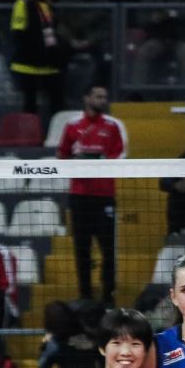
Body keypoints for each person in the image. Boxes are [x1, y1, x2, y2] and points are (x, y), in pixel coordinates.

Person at [56, 84, 124, 301]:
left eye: (105, 97)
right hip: (79, 195)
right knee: (81, 248)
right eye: (98, 96)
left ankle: (108, 295)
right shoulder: (72, 125)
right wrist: (78, 162)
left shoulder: (113, 126)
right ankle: (85, 296)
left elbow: (120, 154)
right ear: (87, 98)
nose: (102, 100)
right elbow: (62, 156)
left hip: (104, 195)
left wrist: (99, 163)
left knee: (108, 249)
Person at [9, 0, 65, 120]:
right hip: (28, 63)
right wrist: (35, 52)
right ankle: (29, 136)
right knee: (30, 103)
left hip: (49, 62)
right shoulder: (22, 3)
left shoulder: (50, 5)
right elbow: (18, 32)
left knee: (57, 102)